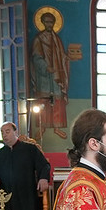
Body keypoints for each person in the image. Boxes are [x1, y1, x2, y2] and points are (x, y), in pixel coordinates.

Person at [30, 9, 70, 140]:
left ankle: (57, 127)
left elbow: (61, 55)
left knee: (57, 101)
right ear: (42, 23)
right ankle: (42, 126)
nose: (49, 25)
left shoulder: (56, 38)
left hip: (56, 76)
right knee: (44, 101)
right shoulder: (39, 39)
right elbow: (36, 57)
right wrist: (46, 67)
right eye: (46, 22)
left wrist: (66, 60)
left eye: (51, 22)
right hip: (44, 77)